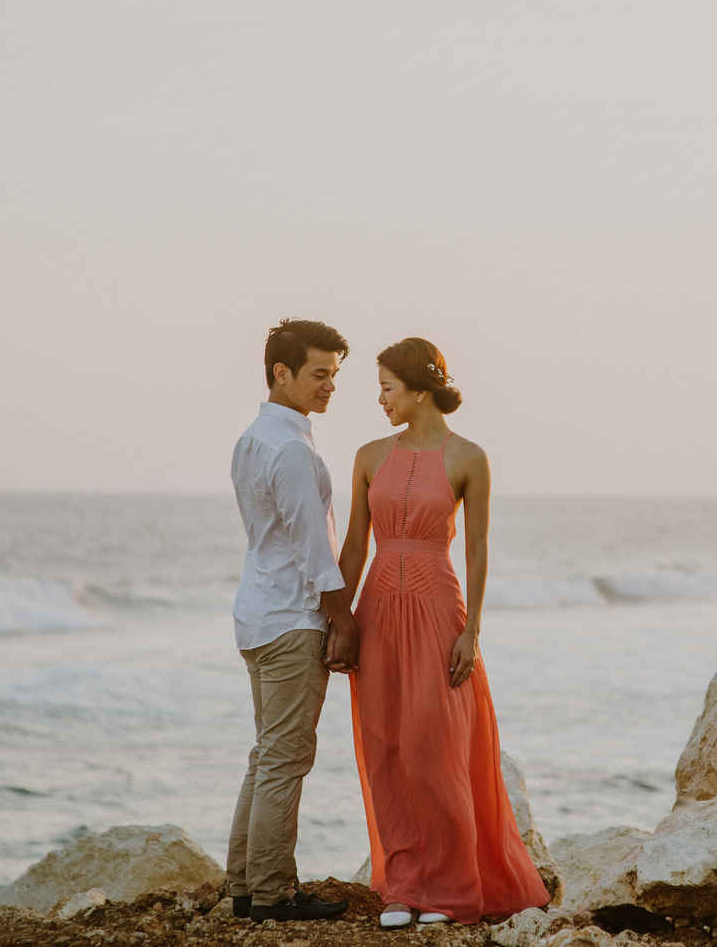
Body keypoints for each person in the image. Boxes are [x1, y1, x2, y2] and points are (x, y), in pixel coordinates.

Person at [339, 338, 550, 929]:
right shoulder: (367, 455)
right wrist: (336, 618)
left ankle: (452, 890)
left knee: (436, 749)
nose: (379, 399)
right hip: (377, 607)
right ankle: (403, 887)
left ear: (419, 389)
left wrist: (472, 632)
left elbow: (479, 548)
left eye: (386, 387)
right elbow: (356, 546)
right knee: (387, 747)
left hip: (438, 608)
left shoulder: (469, 457)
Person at [225, 318, 360, 923]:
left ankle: (245, 887)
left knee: (267, 754)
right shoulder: (291, 450)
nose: (330, 385)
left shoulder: (253, 438)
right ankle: (273, 895)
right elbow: (313, 551)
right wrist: (344, 622)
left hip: (258, 614)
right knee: (285, 757)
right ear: (282, 373)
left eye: (334, 374)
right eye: (319, 374)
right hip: (289, 619)